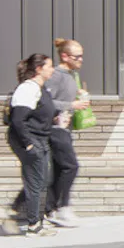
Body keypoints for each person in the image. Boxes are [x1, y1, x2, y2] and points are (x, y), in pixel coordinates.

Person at [1, 49, 55, 235]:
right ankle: (33, 225)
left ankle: (30, 216)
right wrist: (28, 144)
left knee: (44, 180)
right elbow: (18, 119)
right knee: (35, 182)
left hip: (40, 138)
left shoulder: (41, 89)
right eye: (50, 66)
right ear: (39, 69)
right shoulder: (28, 89)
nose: (52, 70)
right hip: (30, 139)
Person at [40, 36, 89, 229]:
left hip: (64, 128)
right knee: (71, 166)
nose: (81, 60)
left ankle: (52, 209)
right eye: (77, 57)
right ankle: (61, 207)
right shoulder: (56, 75)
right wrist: (71, 105)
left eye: (82, 56)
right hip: (55, 129)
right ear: (65, 56)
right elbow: (45, 102)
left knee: (60, 169)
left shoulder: (71, 76)